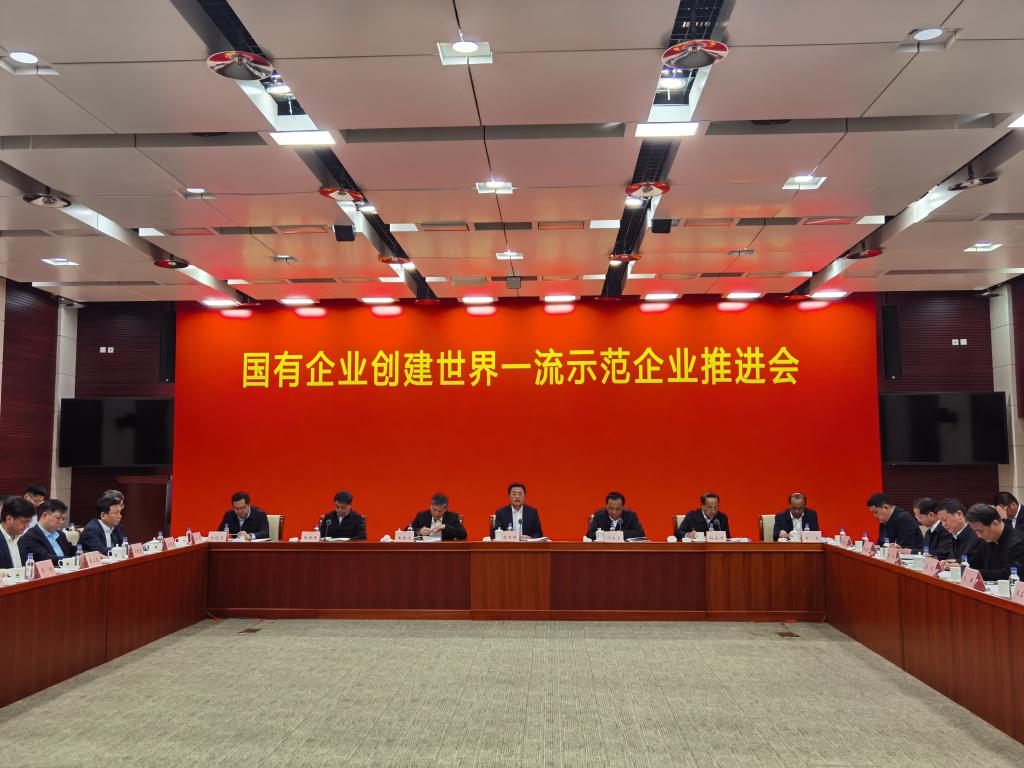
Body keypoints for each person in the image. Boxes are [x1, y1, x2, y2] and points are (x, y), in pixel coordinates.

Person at [965, 503, 1024, 580]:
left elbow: (1009, 574)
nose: (978, 535)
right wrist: (960, 566)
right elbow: (975, 561)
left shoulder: (1018, 543)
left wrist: (975, 573)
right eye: (975, 531)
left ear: (995, 523)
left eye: (980, 531)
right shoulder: (987, 539)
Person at [18, 500, 73, 564]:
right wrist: (71, 560)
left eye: (63, 519)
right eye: (58, 518)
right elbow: (45, 558)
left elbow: (72, 551)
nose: (60, 522)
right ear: (45, 515)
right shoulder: (31, 536)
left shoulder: (61, 534)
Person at [935, 498, 979, 563]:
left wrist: (957, 563)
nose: (943, 524)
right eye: (941, 521)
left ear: (959, 514)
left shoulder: (977, 535)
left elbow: (976, 562)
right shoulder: (954, 535)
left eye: (945, 520)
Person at [0, 497, 34, 571]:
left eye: (29, 522)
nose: (27, 526)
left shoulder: (21, 540)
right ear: (9, 519)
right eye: (25, 521)